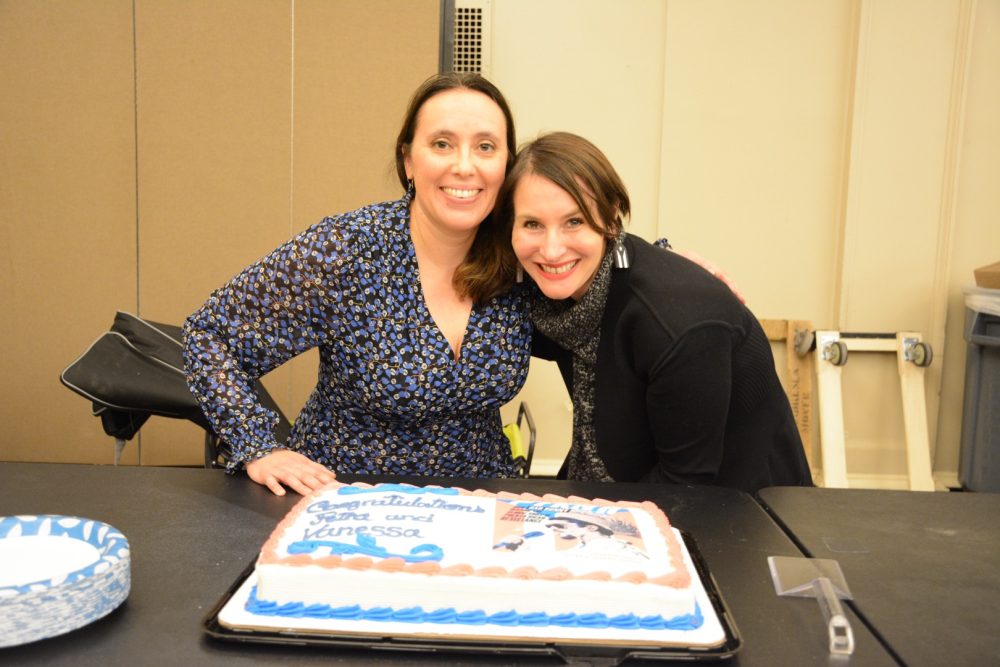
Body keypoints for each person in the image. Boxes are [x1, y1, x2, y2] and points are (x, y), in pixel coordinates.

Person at [182, 72, 531, 497]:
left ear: (506, 164)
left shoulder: (521, 252)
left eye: (486, 146)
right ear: (408, 160)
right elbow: (210, 334)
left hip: (473, 506)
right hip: (345, 503)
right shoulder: (347, 250)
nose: (464, 165)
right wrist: (257, 445)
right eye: (442, 144)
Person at [493, 131, 813, 493]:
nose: (551, 250)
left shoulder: (677, 324)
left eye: (575, 221)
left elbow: (684, 484)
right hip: (633, 478)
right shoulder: (555, 298)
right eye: (532, 224)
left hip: (745, 511)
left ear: (611, 219)